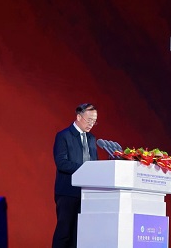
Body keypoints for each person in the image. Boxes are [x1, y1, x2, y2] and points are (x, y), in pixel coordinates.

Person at [52, 103, 98, 248]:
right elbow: (62, 163)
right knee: (64, 232)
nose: (91, 124)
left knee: (79, 234)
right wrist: (85, 169)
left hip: (86, 193)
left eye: (94, 121)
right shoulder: (63, 136)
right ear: (78, 117)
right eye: (89, 120)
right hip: (68, 191)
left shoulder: (91, 138)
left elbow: (94, 162)